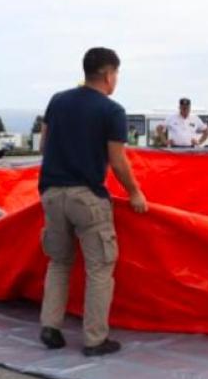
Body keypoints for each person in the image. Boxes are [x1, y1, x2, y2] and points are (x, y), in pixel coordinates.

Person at [37, 47, 148, 357]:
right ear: (109, 75)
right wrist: (135, 193)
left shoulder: (58, 101)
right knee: (99, 267)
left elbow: (45, 145)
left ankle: (50, 326)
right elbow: (118, 160)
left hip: (50, 194)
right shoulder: (111, 110)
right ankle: (94, 339)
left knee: (59, 262)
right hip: (86, 198)